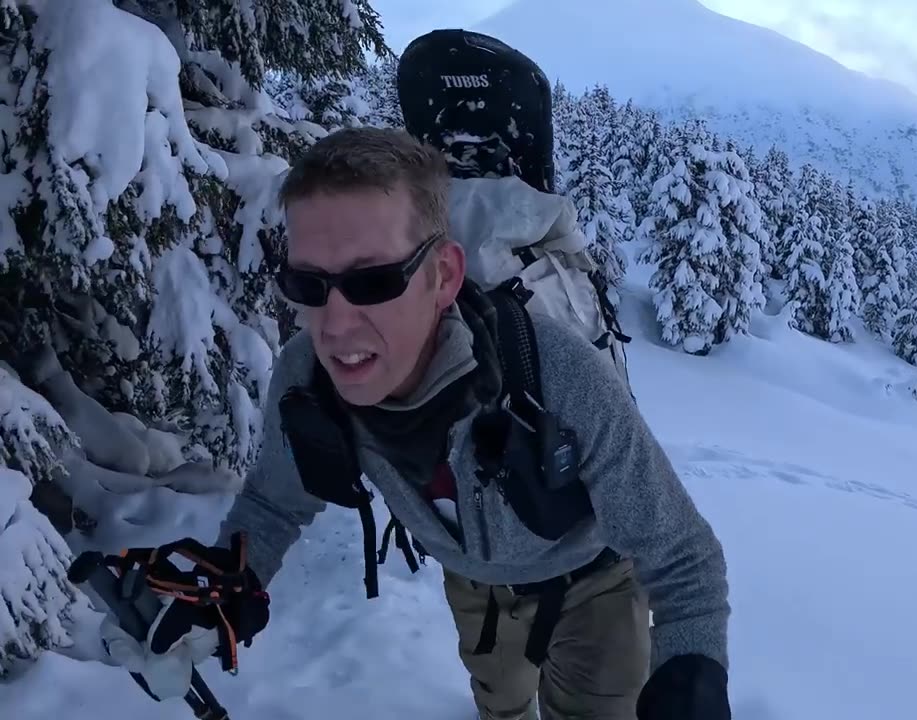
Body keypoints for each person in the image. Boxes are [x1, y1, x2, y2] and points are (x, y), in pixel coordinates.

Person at [96, 128, 731, 718]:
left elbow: (682, 558)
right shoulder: (307, 376)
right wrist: (221, 588)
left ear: (443, 276)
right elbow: (273, 503)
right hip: (475, 585)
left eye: (372, 281)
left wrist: (693, 673)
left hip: (596, 582)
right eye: (307, 284)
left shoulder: (557, 375)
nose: (336, 325)